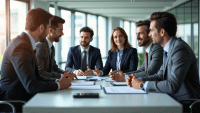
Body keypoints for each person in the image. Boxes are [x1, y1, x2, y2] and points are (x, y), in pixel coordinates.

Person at [0, 8, 74, 103]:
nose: (48, 32)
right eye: (48, 28)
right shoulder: (21, 46)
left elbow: (37, 77)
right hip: (16, 103)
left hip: (26, 98)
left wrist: (58, 81)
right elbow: (31, 86)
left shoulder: (26, 43)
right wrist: (59, 85)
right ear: (42, 27)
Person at [127, 12, 200, 102]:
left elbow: (172, 85)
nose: (149, 34)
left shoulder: (179, 49)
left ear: (162, 32)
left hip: (185, 103)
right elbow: (160, 76)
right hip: (172, 100)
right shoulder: (169, 49)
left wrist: (142, 84)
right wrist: (137, 80)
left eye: (151, 30)